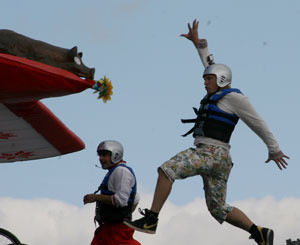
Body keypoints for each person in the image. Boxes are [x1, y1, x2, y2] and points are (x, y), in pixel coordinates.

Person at [124, 19, 289, 245]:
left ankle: (151, 219)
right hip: (220, 159)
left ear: (221, 80)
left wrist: (274, 149)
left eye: (208, 79)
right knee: (218, 209)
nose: (204, 81)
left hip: (210, 153)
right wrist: (199, 45)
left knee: (167, 170)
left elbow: (257, 122)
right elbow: (211, 65)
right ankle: (259, 232)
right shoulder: (219, 92)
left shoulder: (234, 98)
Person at [83, 140, 141, 245]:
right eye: (100, 155)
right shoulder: (114, 171)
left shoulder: (121, 171)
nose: (100, 159)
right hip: (107, 229)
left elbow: (121, 200)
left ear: (116, 155)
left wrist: (95, 197)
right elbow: (135, 198)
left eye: (104, 155)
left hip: (117, 231)